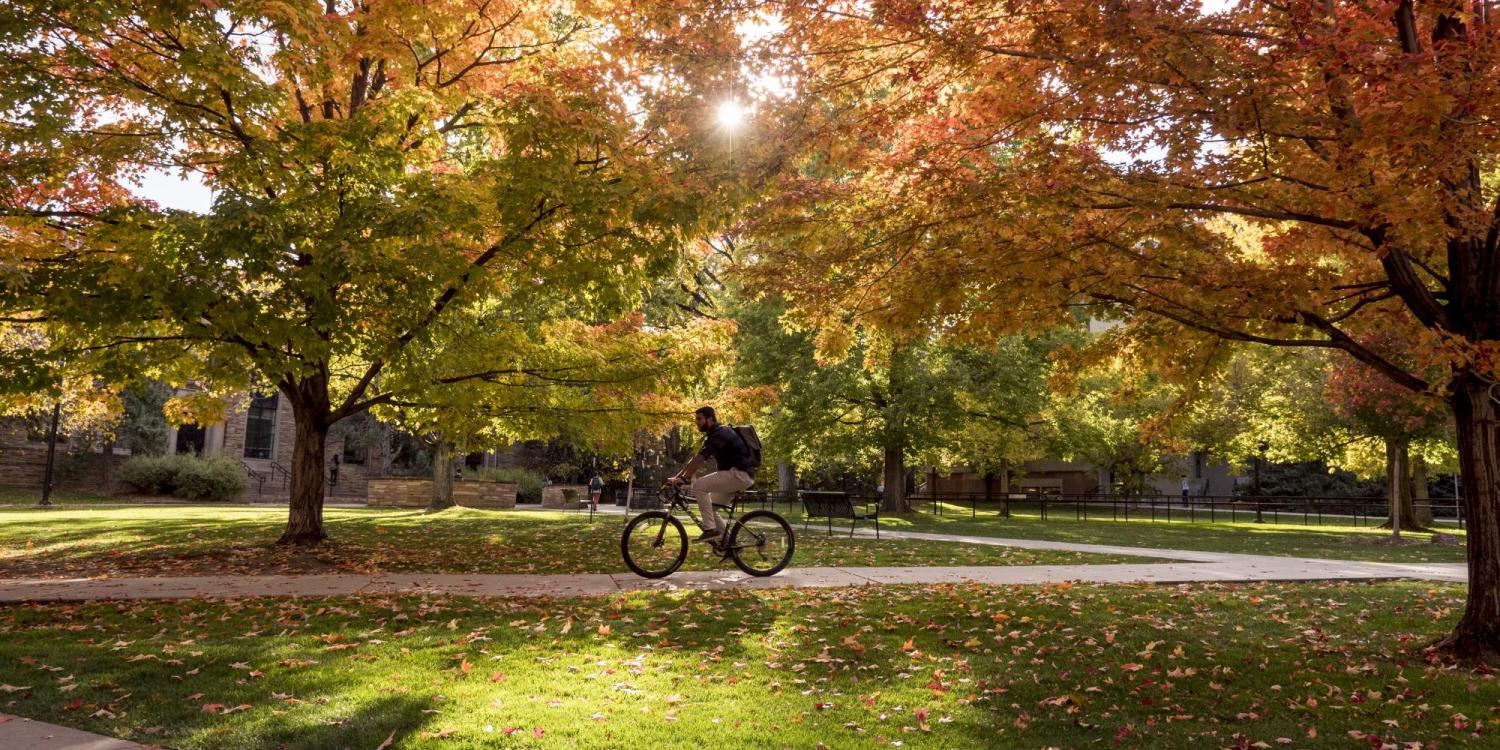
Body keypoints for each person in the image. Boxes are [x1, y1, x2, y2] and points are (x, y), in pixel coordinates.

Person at [670, 406, 755, 542]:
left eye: (699, 419)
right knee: (711, 508)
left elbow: (699, 459)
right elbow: (695, 458)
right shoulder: (713, 434)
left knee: (699, 485)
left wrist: (683, 478)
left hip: (739, 474)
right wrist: (679, 476)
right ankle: (729, 545)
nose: (696, 422)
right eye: (696, 419)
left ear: (709, 419)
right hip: (735, 476)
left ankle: (710, 530)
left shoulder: (720, 433)